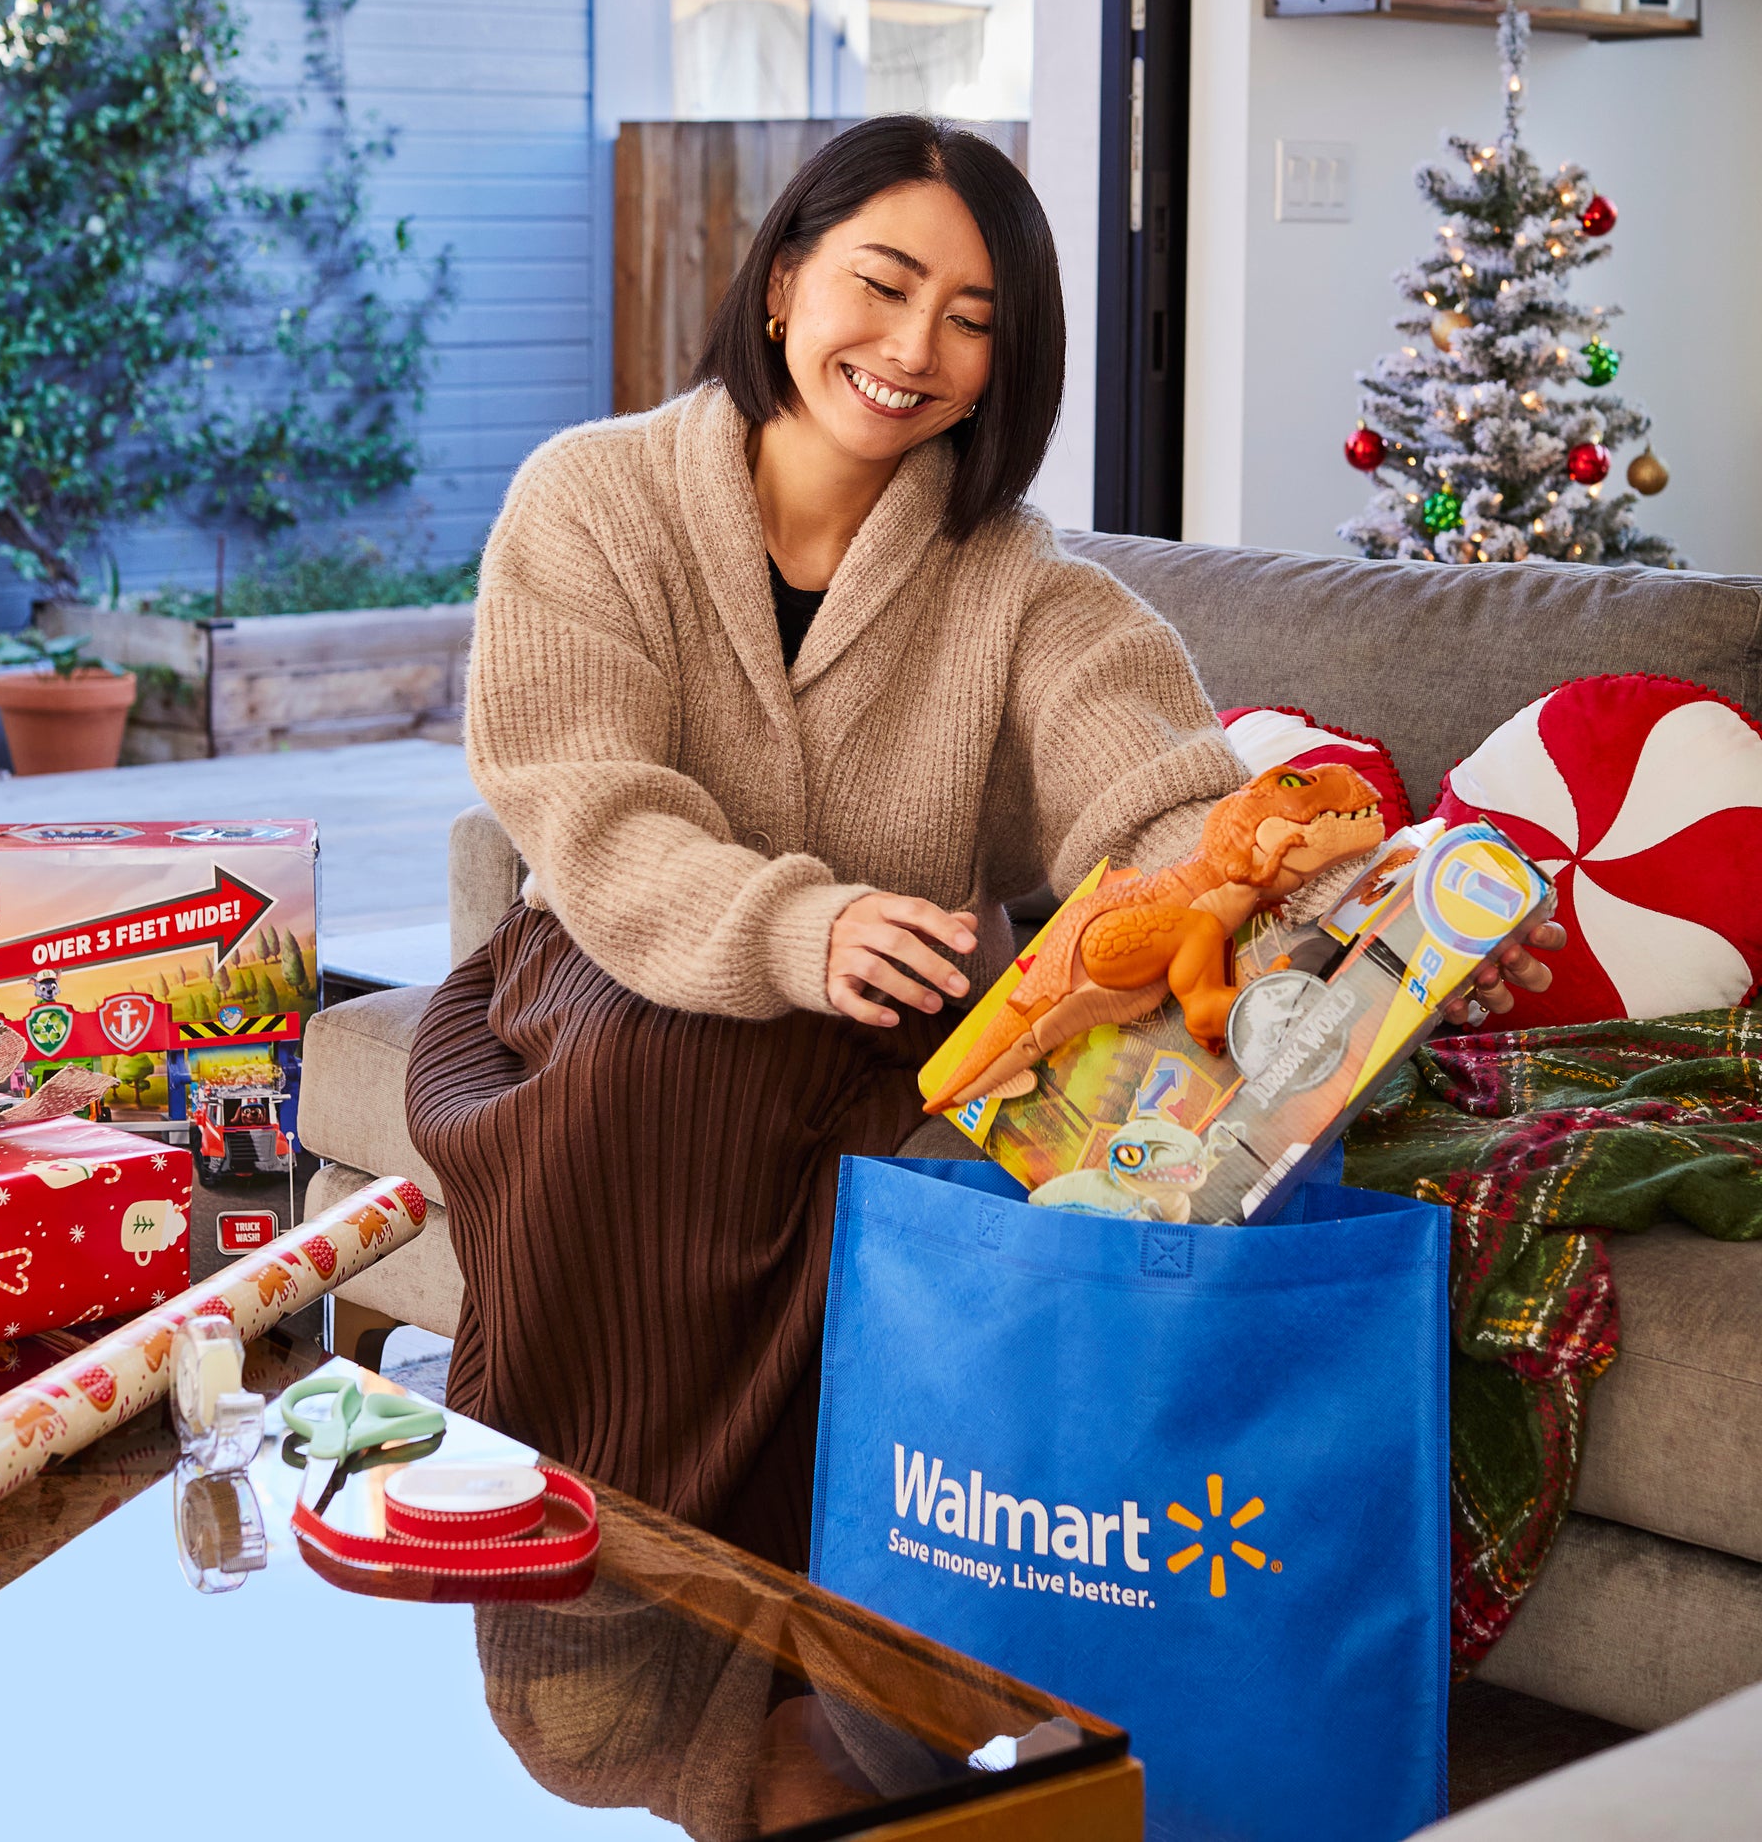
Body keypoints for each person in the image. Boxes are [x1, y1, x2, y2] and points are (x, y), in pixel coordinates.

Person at [404, 117, 1559, 1571]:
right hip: (613, 978)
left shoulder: (1020, 580)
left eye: (972, 321)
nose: (915, 346)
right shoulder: (592, 497)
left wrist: (1356, 920)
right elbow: (588, 801)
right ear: (782, 283)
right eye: (882, 286)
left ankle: (835, 1614)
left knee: (958, 1167)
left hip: (903, 1020)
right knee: (662, 1083)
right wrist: (792, 929)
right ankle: (602, 1590)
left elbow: (1159, 798)